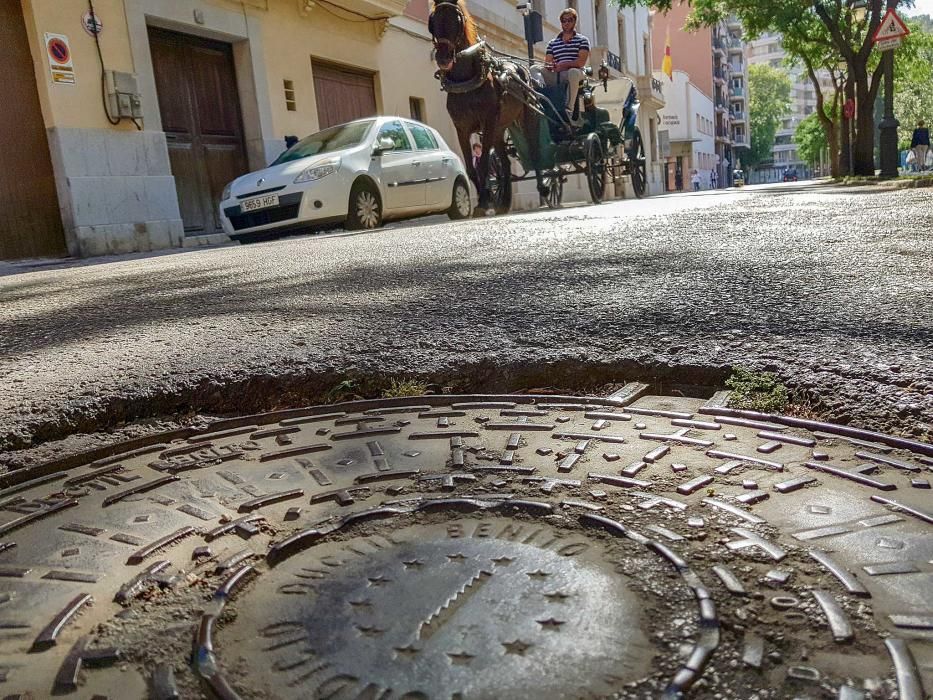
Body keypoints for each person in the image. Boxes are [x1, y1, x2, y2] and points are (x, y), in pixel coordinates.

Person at [532, 8, 590, 118]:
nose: (566, 23)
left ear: (574, 21)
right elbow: (547, 63)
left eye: (570, 20)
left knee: (573, 72)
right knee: (534, 68)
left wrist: (563, 65)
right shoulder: (552, 43)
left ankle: (569, 108)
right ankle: (541, 95)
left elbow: (581, 62)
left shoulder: (583, 40)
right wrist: (551, 66)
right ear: (561, 23)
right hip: (557, 74)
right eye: (564, 20)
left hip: (575, 74)